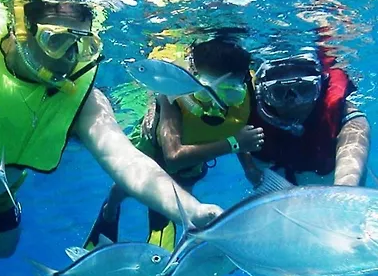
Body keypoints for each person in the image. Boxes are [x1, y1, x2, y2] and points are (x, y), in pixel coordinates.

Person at [0, 0, 222, 258]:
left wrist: (193, 210)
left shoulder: (85, 102)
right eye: (56, 41)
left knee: (2, 245)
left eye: (82, 45)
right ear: (21, 29)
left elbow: (129, 163)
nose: (69, 58)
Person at [77, 37, 264, 258]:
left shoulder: (249, 89)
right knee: (127, 185)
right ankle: (110, 210)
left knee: (184, 193)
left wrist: (249, 166)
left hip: (197, 154)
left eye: (231, 93)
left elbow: (239, 128)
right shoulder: (175, 94)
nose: (216, 103)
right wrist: (232, 144)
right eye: (206, 92)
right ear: (194, 77)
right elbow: (173, 157)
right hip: (155, 148)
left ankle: (170, 233)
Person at [240, 46, 370, 187]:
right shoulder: (246, 110)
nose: (294, 103)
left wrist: (344, 190)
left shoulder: (348, 119)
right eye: (278, 92)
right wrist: (249, 168)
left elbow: (348, 182)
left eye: (304, 90)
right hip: (274, 176)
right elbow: (236, 135)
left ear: (320, 88)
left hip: (329, 181)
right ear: (262, 94)